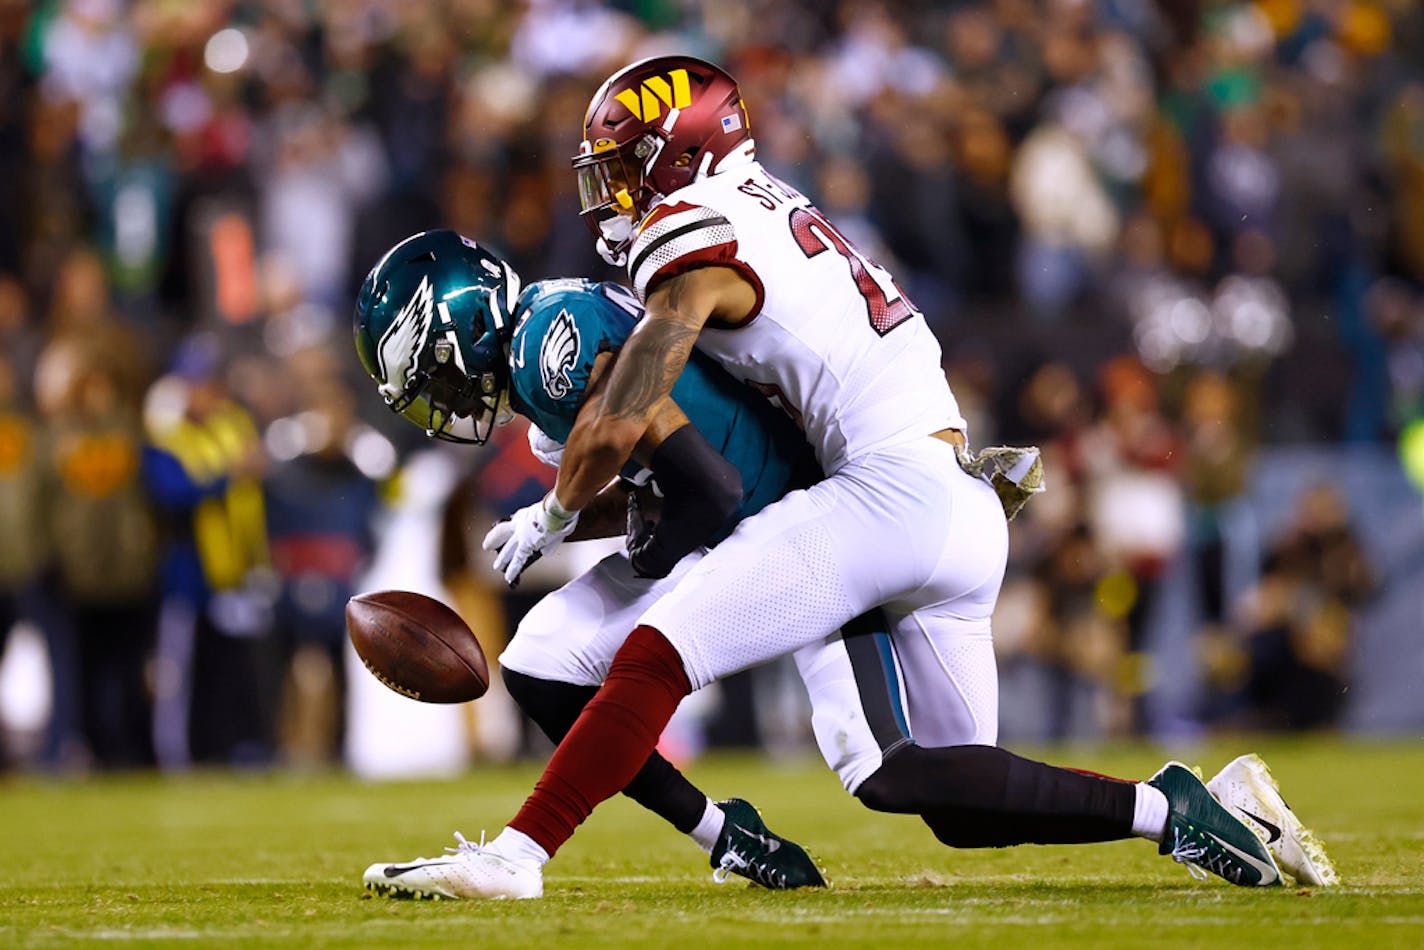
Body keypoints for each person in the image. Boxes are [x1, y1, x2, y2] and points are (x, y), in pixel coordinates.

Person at [424, 57, 1336, 898]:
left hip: (881, 492)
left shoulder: (691, 228)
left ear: (679, 155)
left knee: (659, 652)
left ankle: (519, 855)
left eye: (623, 168)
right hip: (956, 499)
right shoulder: (766, 203)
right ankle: (1178, 806)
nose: (611, 195)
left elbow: (628, 409)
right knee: (941, 793)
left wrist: (555, 509)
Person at [351, 229, 828, 893]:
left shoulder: (547, 339)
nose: (442, 398)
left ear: (460, 330)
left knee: (899, 770)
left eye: (435, 374)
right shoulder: (542, 348)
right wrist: (564, 519)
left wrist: (568, 516)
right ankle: (728, 836)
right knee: (540, 664)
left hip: (768, 519)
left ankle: (515, 858)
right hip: (730, 513)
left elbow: (708, 486)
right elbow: (662, 473)